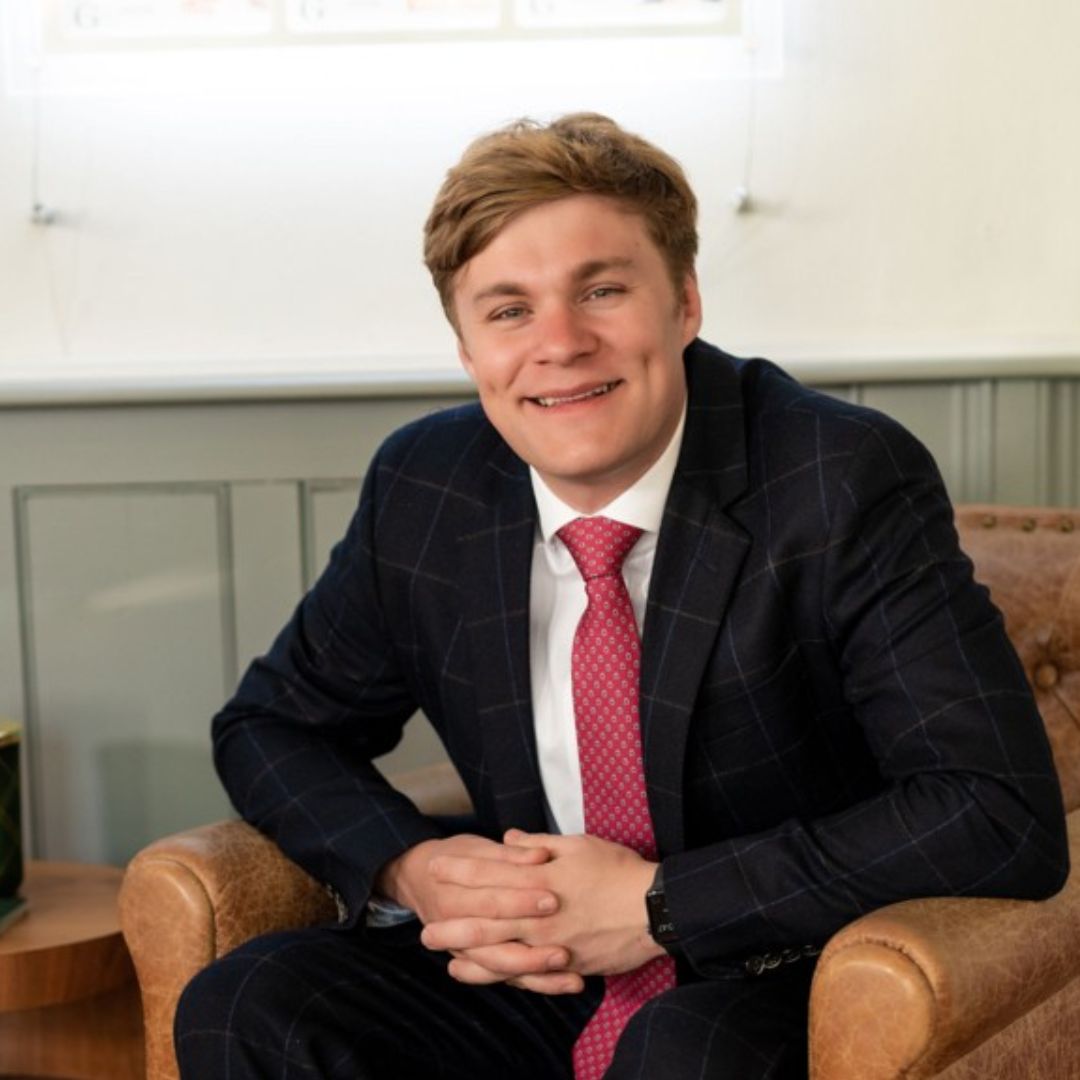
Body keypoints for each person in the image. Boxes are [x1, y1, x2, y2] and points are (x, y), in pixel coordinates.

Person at [174, 113, 1068, 1080]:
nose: (559, 343)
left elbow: (992, 811)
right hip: (540, 969)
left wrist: (659, 904)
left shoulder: (836, 475)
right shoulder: (427, 487)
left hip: (776, 960)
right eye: (509, 311)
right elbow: (272, 725)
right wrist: (415, 869)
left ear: (684, 303)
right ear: (468, 349)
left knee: (682, 1049)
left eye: (601, 290)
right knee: (252, 1003)